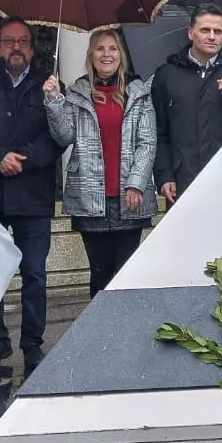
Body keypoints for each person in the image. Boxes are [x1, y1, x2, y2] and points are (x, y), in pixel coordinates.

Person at [44, 28, 157, 296]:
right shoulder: (77, 92)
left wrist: (136, 184)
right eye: (100, 49)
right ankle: (100, 333)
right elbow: (64, 135)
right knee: (99, 271)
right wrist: (53, 101)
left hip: (129, 198)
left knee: (125, 271)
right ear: (91, 55)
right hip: (89, 198)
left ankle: (126, 330)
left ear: (121, 55)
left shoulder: (138, 92)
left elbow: (148, 142)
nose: (107, 54)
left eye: (113, 48)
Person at [0, 19, 59, 373]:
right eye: (9, 41)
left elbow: (59, 136)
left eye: (23, 41)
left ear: (32, 48)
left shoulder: (50, 85)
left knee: (34, 274)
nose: (16, 47)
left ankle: (32, 344)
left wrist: (24, 159)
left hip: (34, 192)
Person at [151, 5, 222, 205]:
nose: (212, 36)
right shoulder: (166, 75)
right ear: (191, 33)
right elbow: (159, 132)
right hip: (182, 180)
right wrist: (164, 174)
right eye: (205, 30)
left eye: (217, 31)